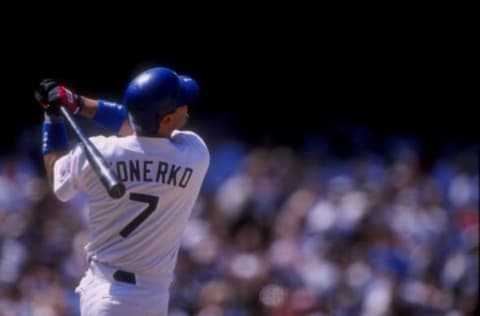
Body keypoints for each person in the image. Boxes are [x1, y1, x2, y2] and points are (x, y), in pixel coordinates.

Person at [34, 66, 210, 315]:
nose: (187, 107)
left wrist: (53, 116)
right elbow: (134, 126)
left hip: (108, 293)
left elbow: (57, 180)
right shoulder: (194, 152)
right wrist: (77, 104)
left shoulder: (99, 153)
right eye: (182, 103)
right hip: (153, 296)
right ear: (167, 119)